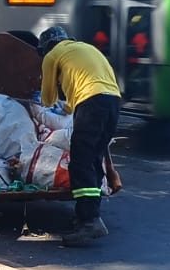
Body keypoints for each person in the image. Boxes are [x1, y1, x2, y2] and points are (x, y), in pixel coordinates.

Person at [37, 26, 121, 246]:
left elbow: (47, 98)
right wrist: (67, 108)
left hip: (91, 103)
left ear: (45, 48)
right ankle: (91, 215)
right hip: (112, 102)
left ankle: (89, 221)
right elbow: (85, 87)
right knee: (93, 159)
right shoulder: (86, 48)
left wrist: (40, 102)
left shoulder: (52, 55)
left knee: (80, 162)